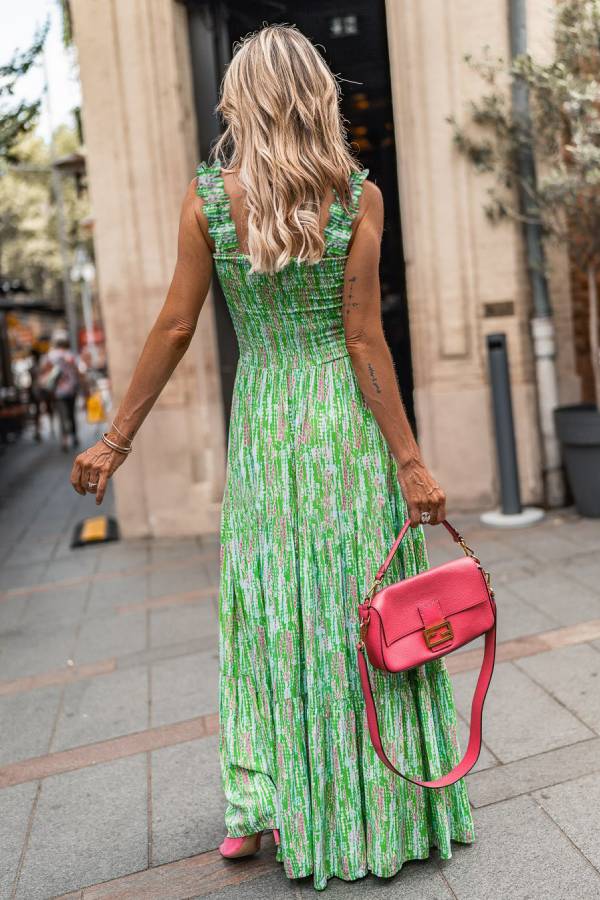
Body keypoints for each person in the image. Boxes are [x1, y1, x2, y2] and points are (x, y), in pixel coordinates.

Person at [70, 24, 474, 892]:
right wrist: (410, 461)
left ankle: (260, 800)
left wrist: (116, 438)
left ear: (240, 102)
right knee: (357, 610)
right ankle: (388, 800)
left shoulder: (210, 200)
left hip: (265, 420)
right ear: (318, 96)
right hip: (341, 424)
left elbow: (177, 327)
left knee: (268, 618)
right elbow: (365, 339)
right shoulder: (356, 197)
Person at [40, 330, 87, 451]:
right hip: (71, 390)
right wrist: (84, 388)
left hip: (57, 391)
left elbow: (43, 371)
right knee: (71, 414)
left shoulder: (50, 356)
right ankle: (74, 436)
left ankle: (64, 440)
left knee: (61, 415)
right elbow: (80, 372)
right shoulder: (71, 355)